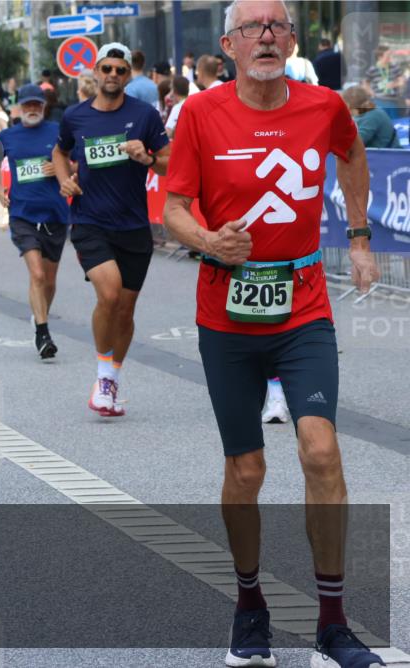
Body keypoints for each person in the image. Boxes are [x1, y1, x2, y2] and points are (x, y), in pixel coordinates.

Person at [162, 2, 384, 667]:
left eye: (277, 26)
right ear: (228, 44)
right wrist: (210, 241)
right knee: (247, 468)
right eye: (251, 28)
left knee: (321, 451)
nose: (265, 36)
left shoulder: (324, 106)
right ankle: (249, 604)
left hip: (303, 306)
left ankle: (334, 625)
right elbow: (174, 208)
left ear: (291, 40)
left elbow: (352, 154)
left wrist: (360, 237)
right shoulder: (200, 113)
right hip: (226, 313)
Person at [52, 42, 171, 417]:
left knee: (125, 309)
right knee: (110, 293)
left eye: (120, 70)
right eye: (107, 69)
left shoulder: (145, 115)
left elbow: (168, 163)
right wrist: (63, 180)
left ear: (128, 75)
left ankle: (113, 377)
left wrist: (146, 157)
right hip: (90, 221)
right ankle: (103, 375)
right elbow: (59, 152)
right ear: (96, 72)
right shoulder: (76, 116)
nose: (113, 75)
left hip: (133, 224)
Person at [0, 84, 71, 360]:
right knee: (37, 274)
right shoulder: (6, 136)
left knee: (49, 280)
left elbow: (76, 163)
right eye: (27, 105)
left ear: (44, 106)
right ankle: (43, 333)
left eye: (37, 104)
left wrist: (60, 168)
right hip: (22, 214)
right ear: (19, 108)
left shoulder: (58, 131)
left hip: (55, 214)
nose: (32, 109)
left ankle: (39, 314)